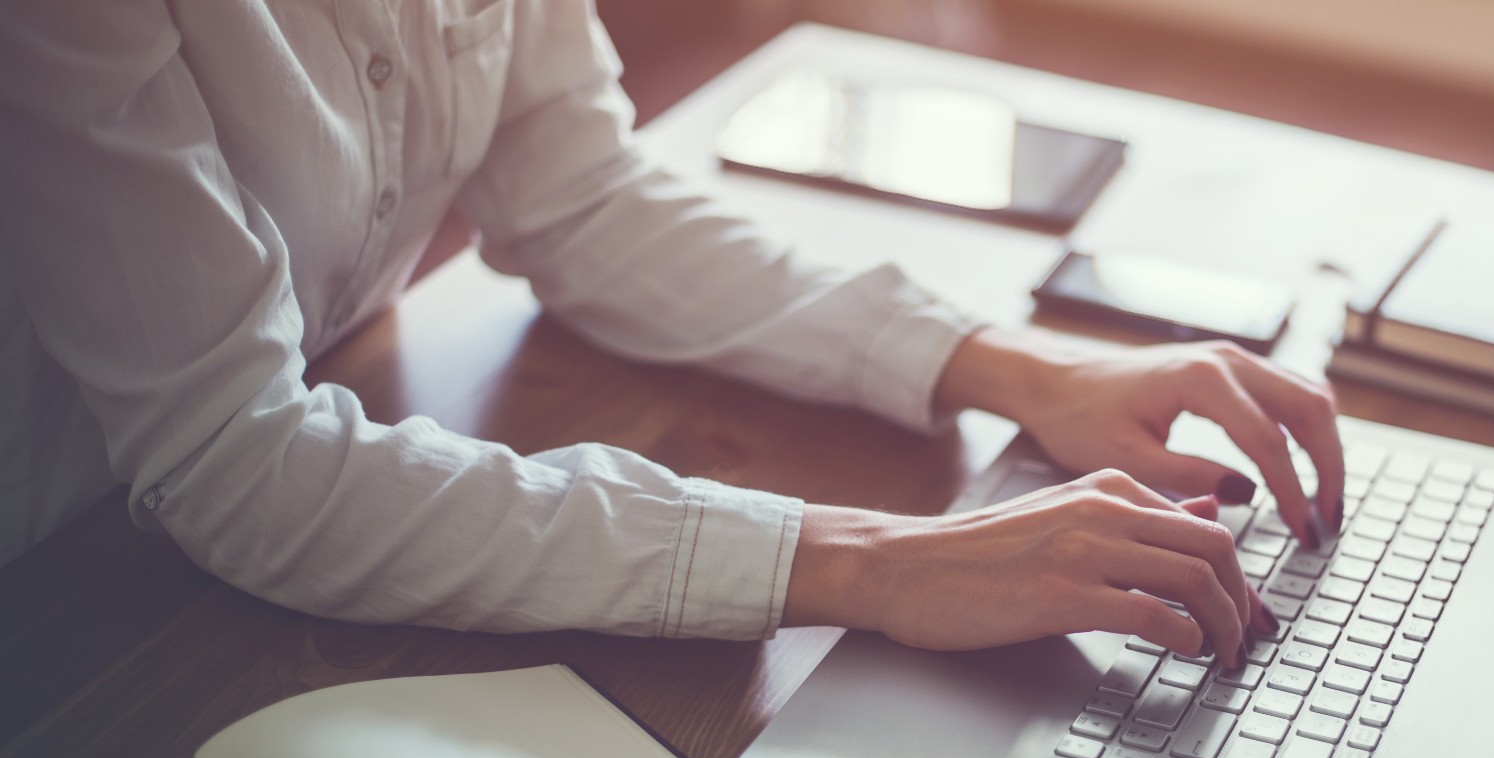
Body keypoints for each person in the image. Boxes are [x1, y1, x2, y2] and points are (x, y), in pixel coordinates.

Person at [0, 1, 1342, 672]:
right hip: (63, 610)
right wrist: (872, 563)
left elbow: (578, 195)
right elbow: (238, 463)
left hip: (245, 539)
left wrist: (1012, 365)